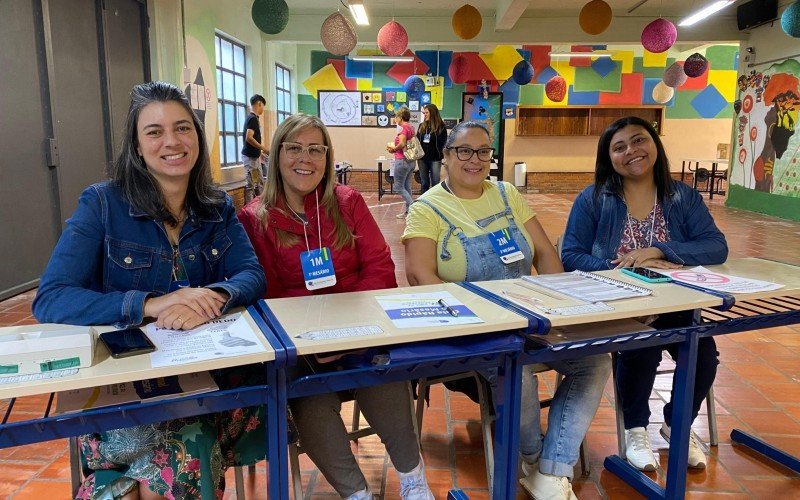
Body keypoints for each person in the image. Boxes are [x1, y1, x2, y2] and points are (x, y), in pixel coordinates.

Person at [32, 81, 267, 499]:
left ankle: (115, 486)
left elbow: (250, 273)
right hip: (126, 391)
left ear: (197, 136)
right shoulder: (102, 204)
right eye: (154, 132)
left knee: (200, 429)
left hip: (206, 381)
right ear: (137, 147)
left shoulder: (216, 206)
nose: (171, 142)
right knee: (189, 444)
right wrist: (153, 305)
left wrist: (209, 299)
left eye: (182, 128)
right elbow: (51, 297)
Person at [403, 121, 610, 500]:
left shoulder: (507, 193)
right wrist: (486, 318)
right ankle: (531, 456)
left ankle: (550, 466)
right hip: (475, 328)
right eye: (463, 150)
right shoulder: (426, 208)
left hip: (533, 315)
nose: (474, 159)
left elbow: (546, 252)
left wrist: (560, 307)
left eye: (483, 151)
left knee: (596, 361)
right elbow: (420, 274)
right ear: (446, 156)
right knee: (520, 368)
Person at [238, 113, 433, 500]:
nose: (304, 159)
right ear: (277, 156)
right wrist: (320, 333)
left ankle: (414, 481)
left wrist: (348, 327)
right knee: (308, 397)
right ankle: (356, 493)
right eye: (294, 148)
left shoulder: (348, 202)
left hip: (358, 329)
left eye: (315, 149)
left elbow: (379, 266)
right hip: (301, 346)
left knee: (386, 376)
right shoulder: (254, 218)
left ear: (327, 157)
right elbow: (267, 295)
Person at [561, 116, 729, 472]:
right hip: (616, 302)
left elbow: (715, 246)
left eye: (639, 141)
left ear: (655, 144)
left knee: (703, 352)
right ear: (609, 158)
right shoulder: (594, 199)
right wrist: (616, 270)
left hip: (675, 299)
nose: (631, 152)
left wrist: (660, 250)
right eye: (619, 147)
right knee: (643, 344)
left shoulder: (681, 196)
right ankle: (635, 428)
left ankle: (677, 426)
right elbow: (571, 255)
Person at [386, 105, 416, 219]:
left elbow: (402, 143)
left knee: (398, 186)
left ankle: (413, 208)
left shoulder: (403, 128)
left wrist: (393, 149)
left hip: (402, 161)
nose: (395, 119)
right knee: (407, 186)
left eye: (396, 116)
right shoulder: (411, 127)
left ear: (401, 117)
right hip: (410, 161)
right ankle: (409, 212)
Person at [241, 94, 270, 202]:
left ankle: (260, 207)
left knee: (259, 183)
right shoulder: (252, 118)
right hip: (250, 158)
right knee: (251, 185)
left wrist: (260, 152)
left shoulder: (253, 118)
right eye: (263, 106)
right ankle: (249, 210)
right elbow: (249, 138)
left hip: (254, 157)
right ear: (259, 104)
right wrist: (264, 148)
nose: (263, 109)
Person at [416, 104, 447, 194]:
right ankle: (424, 201)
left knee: (435, 182)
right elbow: (418, 141)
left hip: (435, 158)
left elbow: (443, 142)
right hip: (422, 158)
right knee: (424, 182)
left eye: (426, 113)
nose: (424, 114)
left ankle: (434, 200)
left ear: (432, 113)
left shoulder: (441, 126)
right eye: (424, 113)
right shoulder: (421, 125)